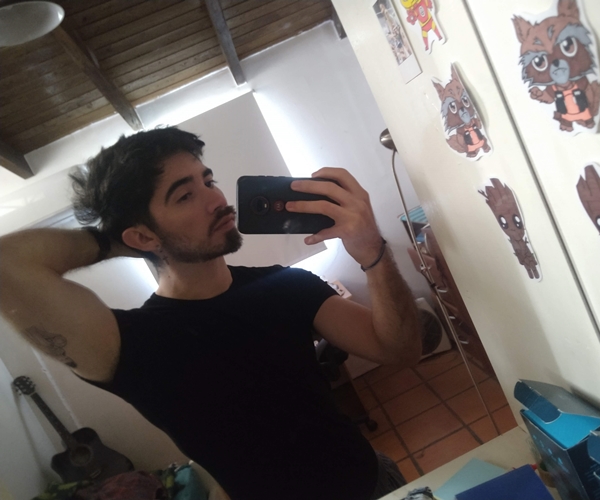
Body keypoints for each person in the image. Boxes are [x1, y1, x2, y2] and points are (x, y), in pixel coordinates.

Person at [0, 127, 421, 500]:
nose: (217, 199)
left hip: (375, 485)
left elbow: (399, 350)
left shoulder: (286, 285)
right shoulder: (131, 344)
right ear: (141, 236)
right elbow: (8, 265)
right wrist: (115, 240)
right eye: (185, 195)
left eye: (208, 181)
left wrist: (371, 250)